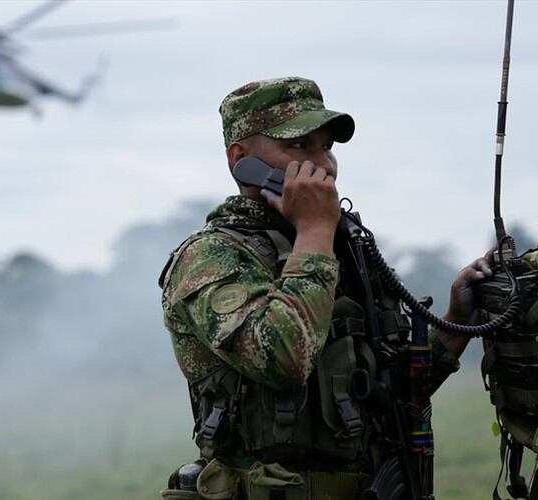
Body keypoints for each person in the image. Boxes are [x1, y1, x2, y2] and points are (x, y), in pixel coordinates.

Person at [159, 76, 493, 499]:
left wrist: (454, 323)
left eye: (327, 147)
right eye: (299, 147)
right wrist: (315, 230)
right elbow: (283, 358)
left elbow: (383, 396)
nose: (325, 165)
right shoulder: (211, 257)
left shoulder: (342, 246)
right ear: (241, 159)